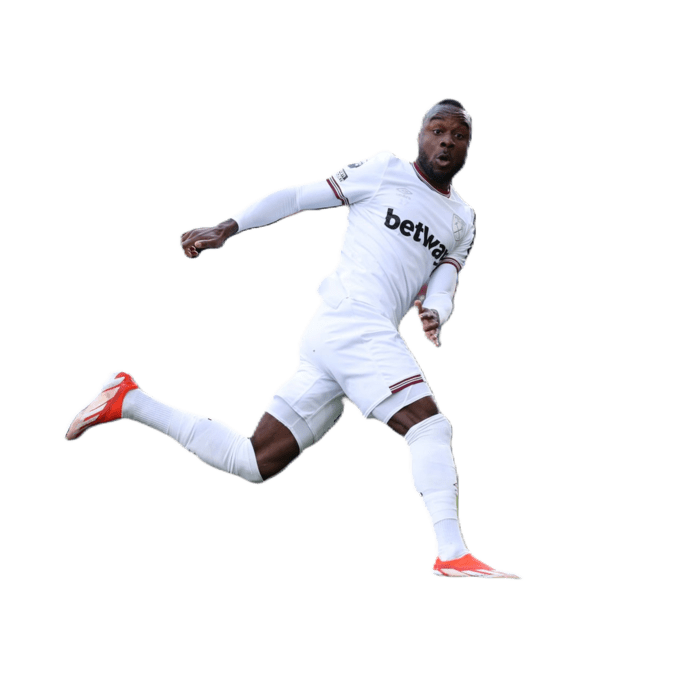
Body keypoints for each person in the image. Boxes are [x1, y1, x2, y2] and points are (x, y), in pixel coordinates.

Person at [63, 97, 523, 581]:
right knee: (429, 428)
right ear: (420, 134)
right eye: (437, 130)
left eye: (459, 135)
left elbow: (445, 284)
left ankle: (129, 400)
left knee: (253, 460)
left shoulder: (463, 219)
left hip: (342, 339)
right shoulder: (385, 170)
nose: (447, 141)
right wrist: (228, 226)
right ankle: (451, 552)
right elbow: (300, 197)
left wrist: (435, 314)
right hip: (352, 322)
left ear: (469, 146)